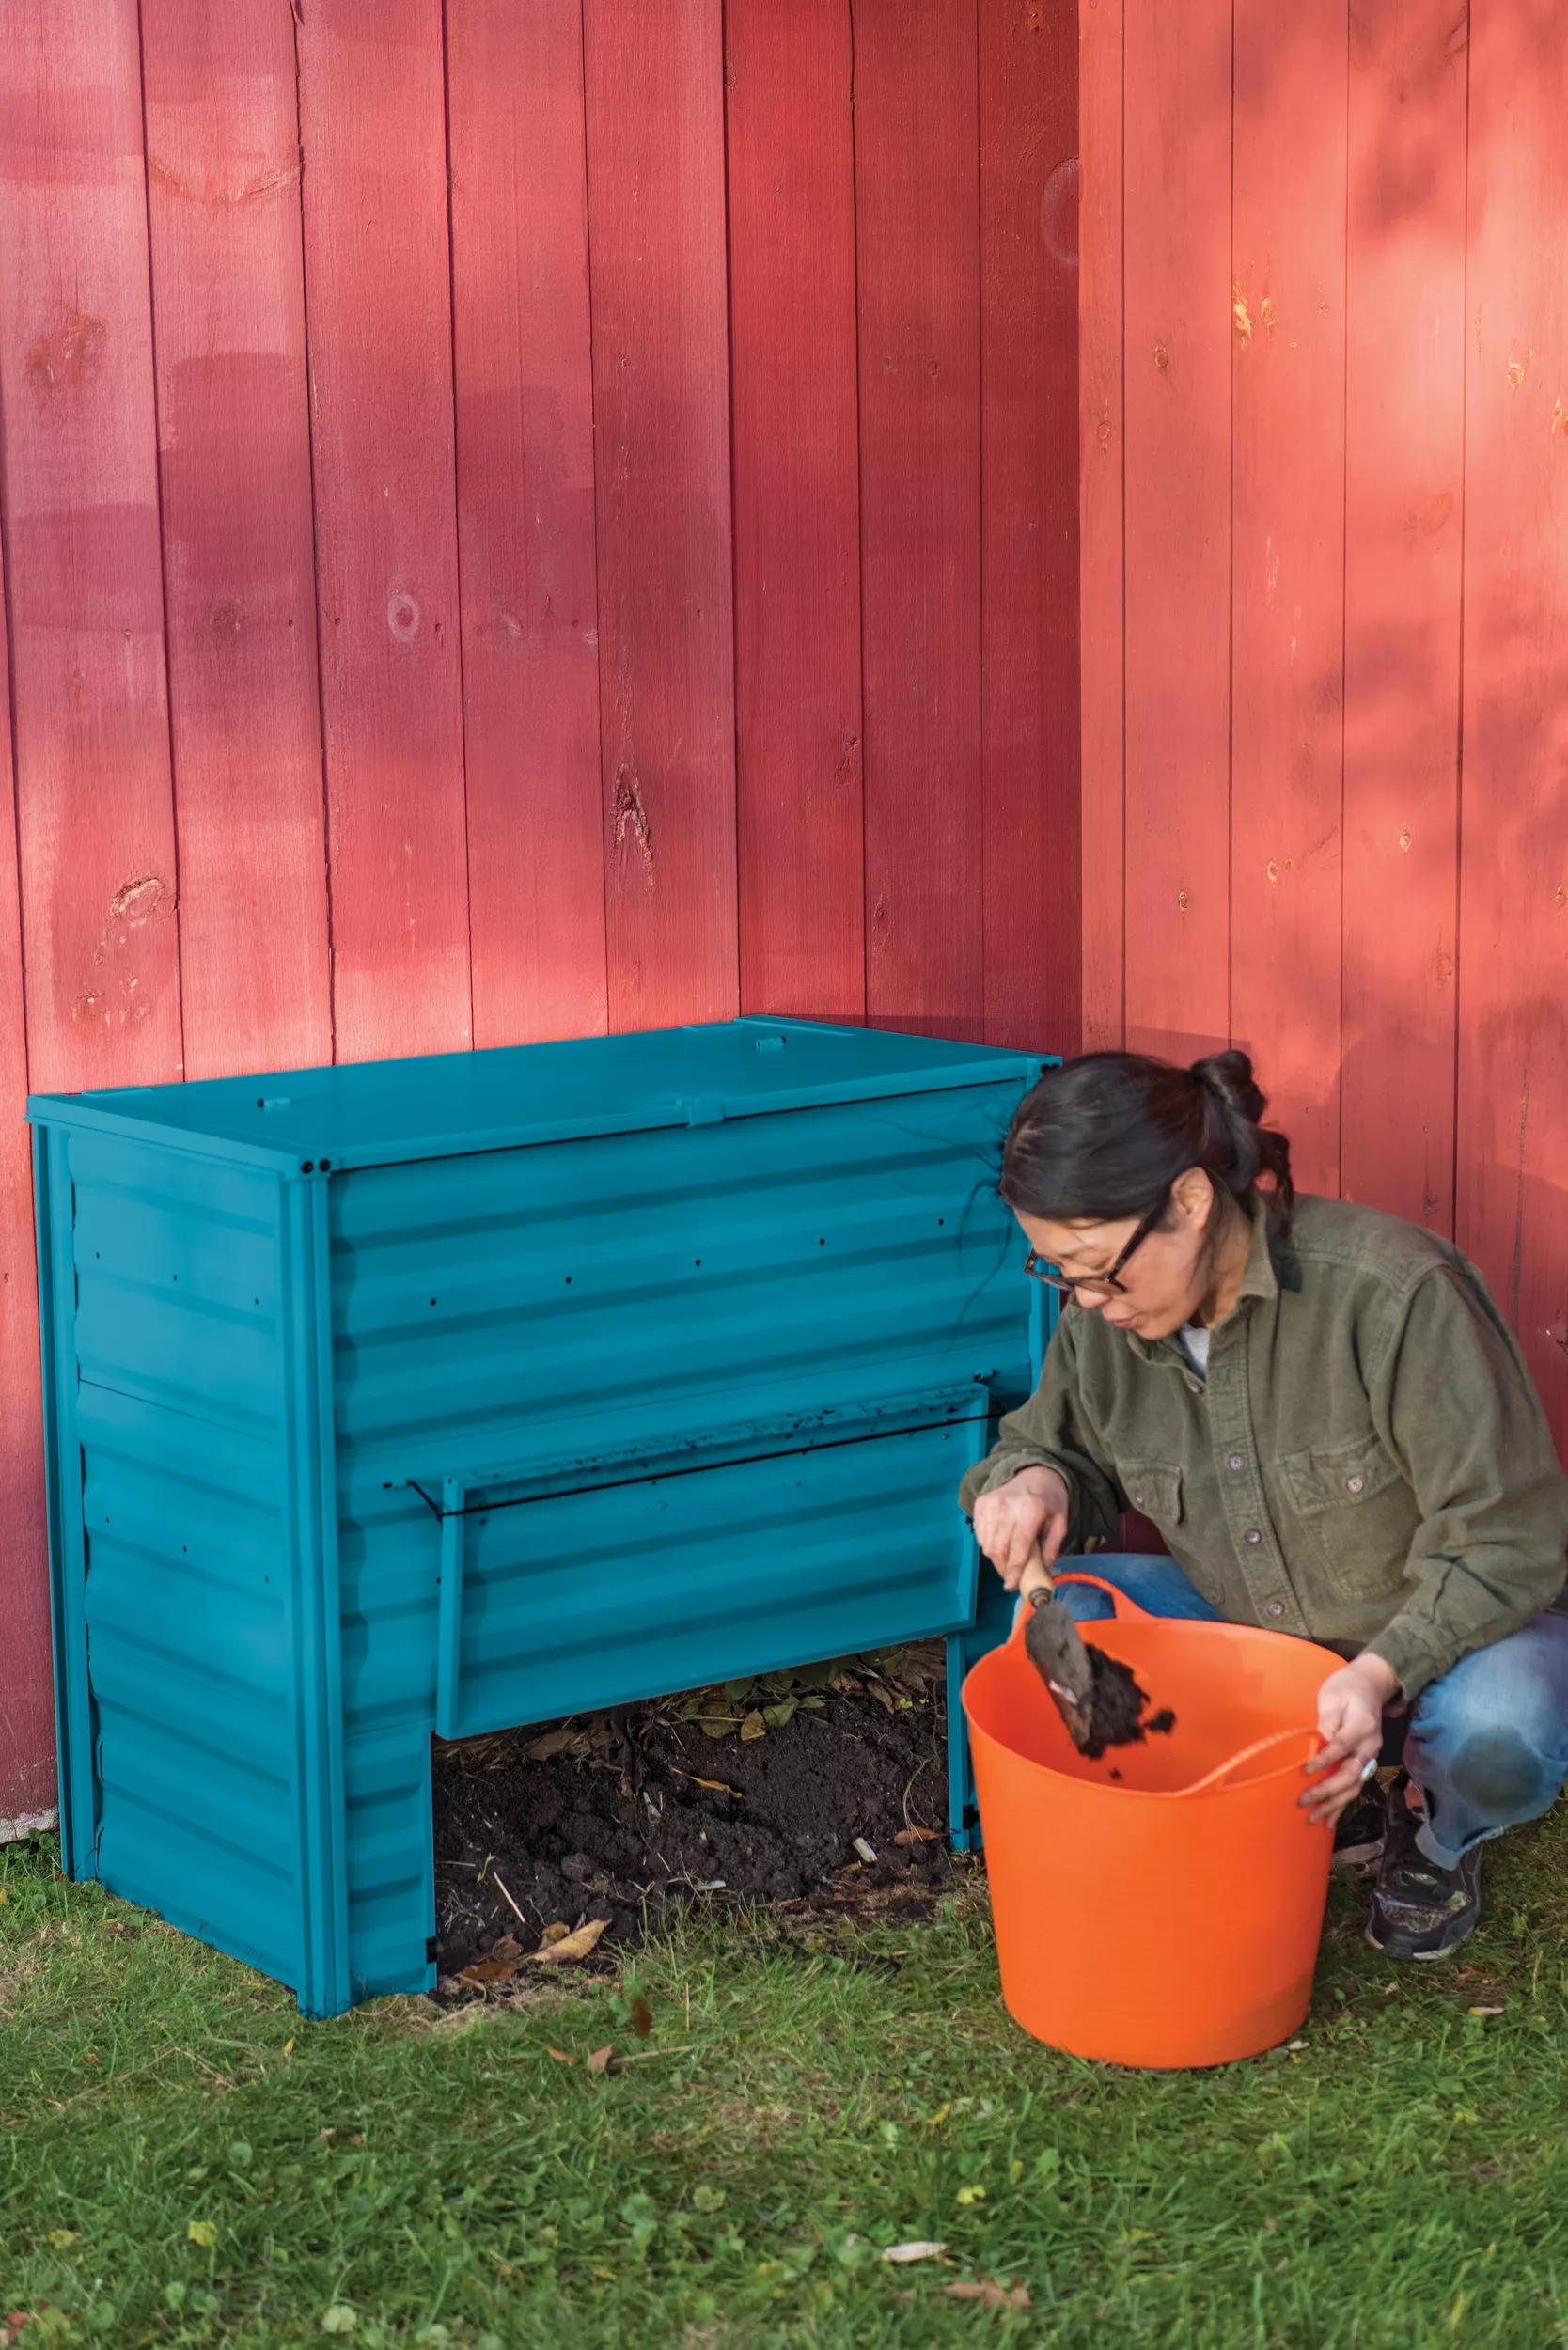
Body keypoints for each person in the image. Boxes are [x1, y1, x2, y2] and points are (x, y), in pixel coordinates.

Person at [959, 1049, 1568, 1961]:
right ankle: (1180, 1814)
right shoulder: (1104, 1322)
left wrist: (1377, 1671)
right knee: (1069, 1616)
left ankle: (1434, 1831)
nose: (1086, 1301)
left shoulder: (1394, 1294)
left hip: (1436, 1641)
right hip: (1247, 1627)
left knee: (1507, 1727)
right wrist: (1032, 1481)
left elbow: (1508, 1539)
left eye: (1099, 1268)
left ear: (1192, 1201)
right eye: (1057, 1272)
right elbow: (1053, 1446)